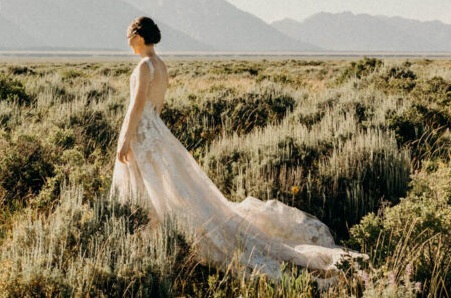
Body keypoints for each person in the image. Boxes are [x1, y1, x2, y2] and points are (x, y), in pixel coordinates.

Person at [110, 16, 364, 283]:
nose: (128, 43)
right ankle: (154, 239)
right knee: (166, 188)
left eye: (129, 37)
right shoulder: (160, 66)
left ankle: (149, 241)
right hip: (157, 133)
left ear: (138, 36)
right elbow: (157, 108)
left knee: (153, 189)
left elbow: (136, 107)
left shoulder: (143, 67)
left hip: (142, 135)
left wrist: (124, 140)